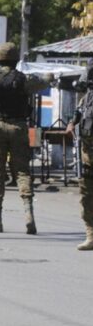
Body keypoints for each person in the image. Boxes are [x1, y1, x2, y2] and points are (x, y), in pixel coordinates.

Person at [0, 42, 49, 234]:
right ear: (16, 59)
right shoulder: (24, 80)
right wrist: (49, 76)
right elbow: (43, 82)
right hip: (19, 128)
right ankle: (29, 215)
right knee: (22, 172)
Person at [66, 60, 93, 250]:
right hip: (87, 155)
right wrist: (71, 123)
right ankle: (91, 235)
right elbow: (77, 115)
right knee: (86, 195)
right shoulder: (87, 99)